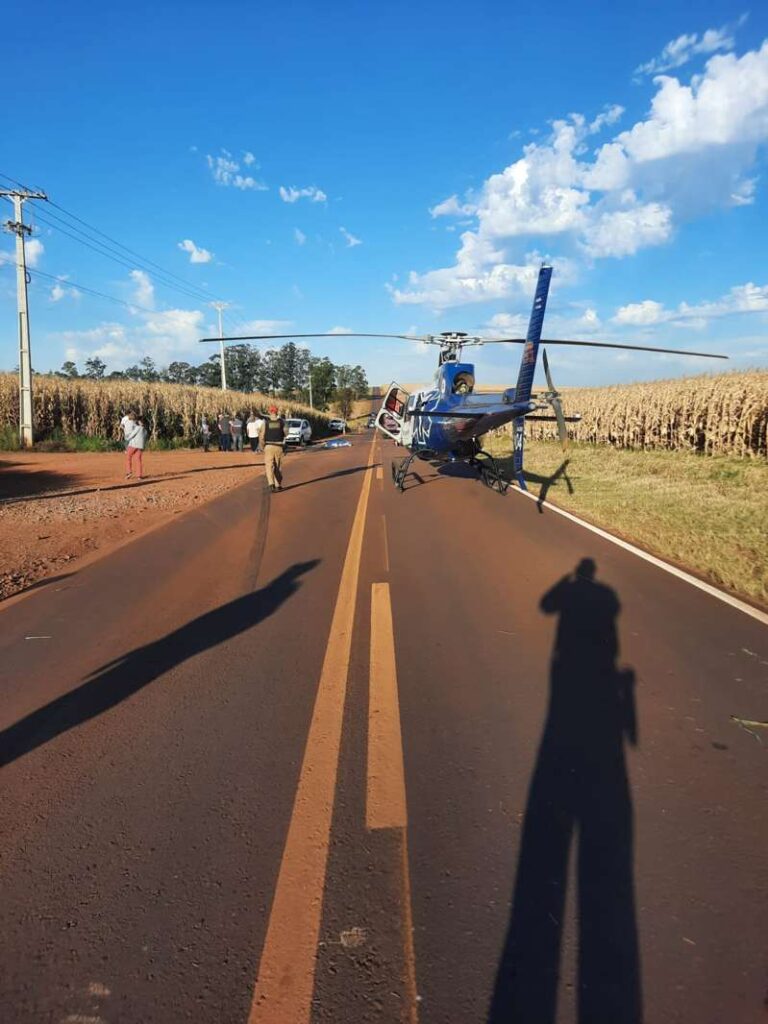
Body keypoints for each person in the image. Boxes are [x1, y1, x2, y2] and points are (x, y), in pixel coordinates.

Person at [259, 405, 286, 491]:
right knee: (278, 466)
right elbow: (286, 433)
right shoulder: (282, 422)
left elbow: (261, 436)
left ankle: (271, 484)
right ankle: (278, 485)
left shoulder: (265, 423)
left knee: (269, 466)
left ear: (269, 412)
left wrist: (262, 446)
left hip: (268, 446)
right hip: (279, 446)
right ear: (276, 412)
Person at [125, 416, 148, 480]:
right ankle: (139, 475)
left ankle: (129, 472)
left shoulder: (138, 428)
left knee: (128, 457)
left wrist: (126, 438)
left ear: (140, 421)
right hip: (140, 446)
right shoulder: (145, 430)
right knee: (138, 460)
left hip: (133, 445)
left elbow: (132, 435)